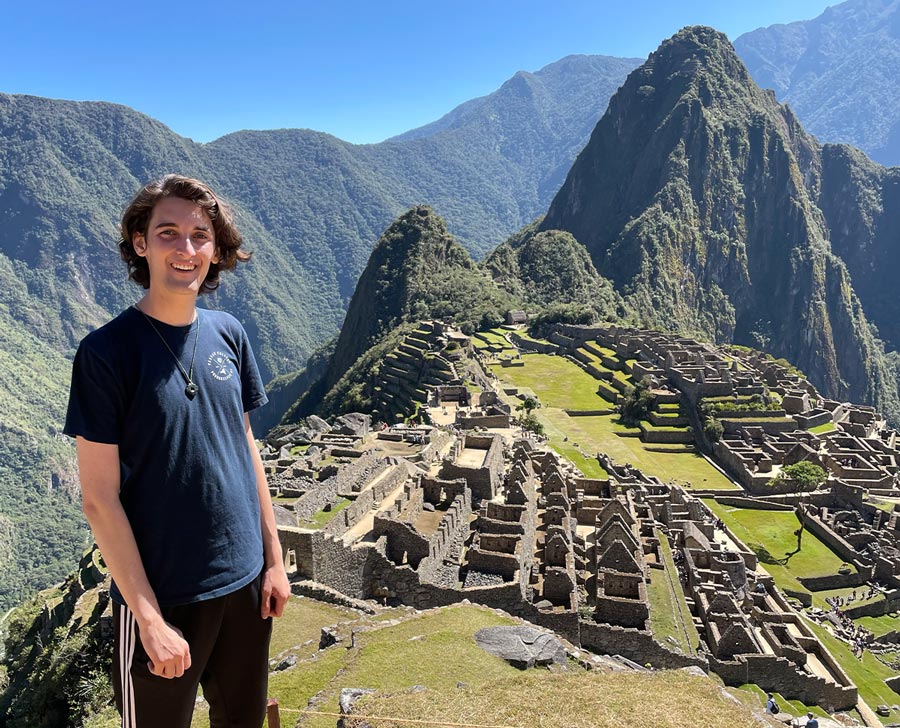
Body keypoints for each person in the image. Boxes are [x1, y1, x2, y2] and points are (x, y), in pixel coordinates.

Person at [65, 175, 290, 727]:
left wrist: (274, 560)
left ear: (216, 250)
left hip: (244, 584)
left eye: (200, 235)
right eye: (168, 232)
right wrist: (148, 618)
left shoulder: (229, 333)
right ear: (140, 243)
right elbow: (98, 498)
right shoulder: (106, 353)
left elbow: (244, 447)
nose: (185, 249)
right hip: (164, 595)